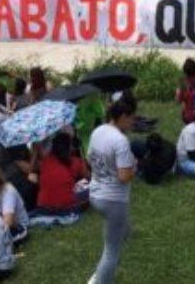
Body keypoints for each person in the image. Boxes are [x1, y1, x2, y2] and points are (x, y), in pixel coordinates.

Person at [86, 96, 138, 284]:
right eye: (132, 118)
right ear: (123, 116)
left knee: (124, 231)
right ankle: (100, 279)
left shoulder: (98, 131)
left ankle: (103, 272)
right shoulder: (120, 141)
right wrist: (134, 167)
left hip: (95, 193)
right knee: (111, 252)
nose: (133, 122)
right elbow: (124, 177)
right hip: (113, 200)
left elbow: (90, 158)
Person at [34, 131, 89, 215]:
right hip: (66, 208)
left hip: (44, 207)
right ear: (69, 146)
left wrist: (35, 152)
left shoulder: (45, 161)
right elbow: (89, 177)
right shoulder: (75, 161)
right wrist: (84, 163)